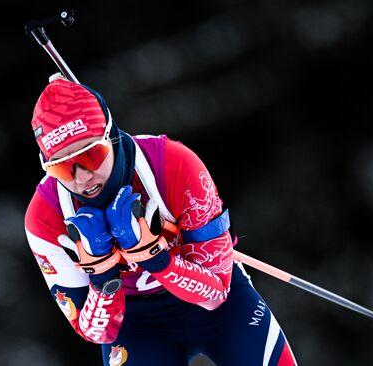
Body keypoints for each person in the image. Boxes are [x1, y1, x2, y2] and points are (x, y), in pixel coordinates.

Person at [24, 73, 297, 366]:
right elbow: (97, 332)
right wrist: (102, 273)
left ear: (110, 135)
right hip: (135, 324)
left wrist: (154, 258)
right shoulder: (46, 217)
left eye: (91, 155)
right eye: (62, 167)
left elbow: (216, 293)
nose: (82, 177)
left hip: (218, 306)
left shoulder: (174, 165)